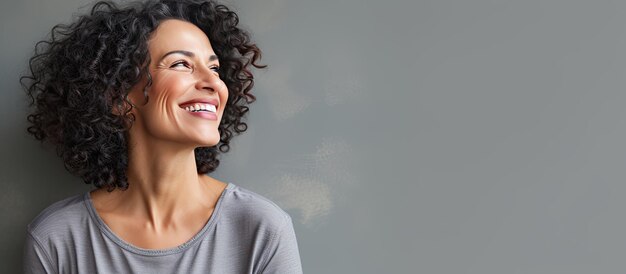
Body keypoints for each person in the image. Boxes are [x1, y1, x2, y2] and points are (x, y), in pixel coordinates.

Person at [20, 0, 303, 273]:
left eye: (214, 68)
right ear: (117, 97)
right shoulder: (55, 239)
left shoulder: (261, 228)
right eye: (181, 64)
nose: (213, 83)